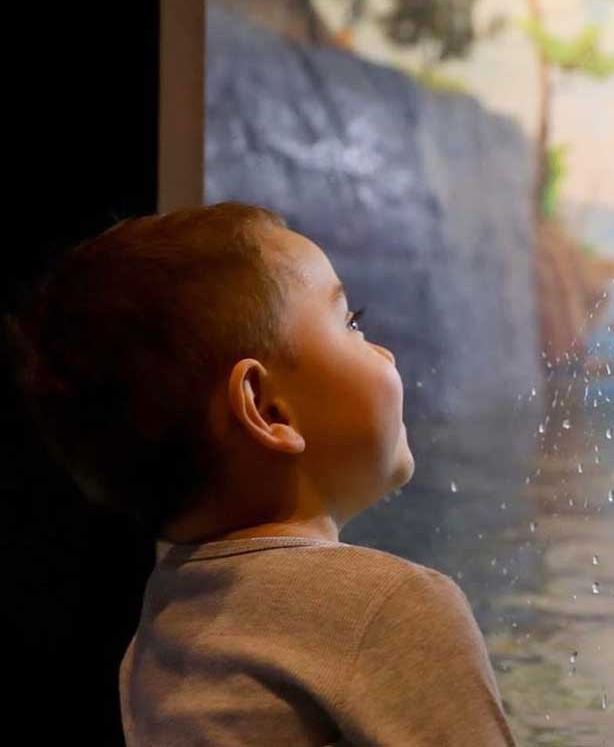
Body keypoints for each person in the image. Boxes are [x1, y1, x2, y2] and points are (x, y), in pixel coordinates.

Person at [4, 202, 517, 746]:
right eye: (351, 323)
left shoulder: (167, 624)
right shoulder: (389, 607)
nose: (386, 352)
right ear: (268, 410)